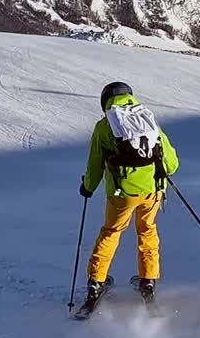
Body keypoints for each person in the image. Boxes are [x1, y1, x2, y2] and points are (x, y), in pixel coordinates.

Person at [77, 81, 180, 315]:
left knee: (111, 233)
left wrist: (87, 187)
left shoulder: (104, 127)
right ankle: (148, 281)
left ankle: (96, 283)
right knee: (147, 232)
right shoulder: (147, 120)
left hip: (122, 194)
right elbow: (172, 163)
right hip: (153, 191)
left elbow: (95, 166)